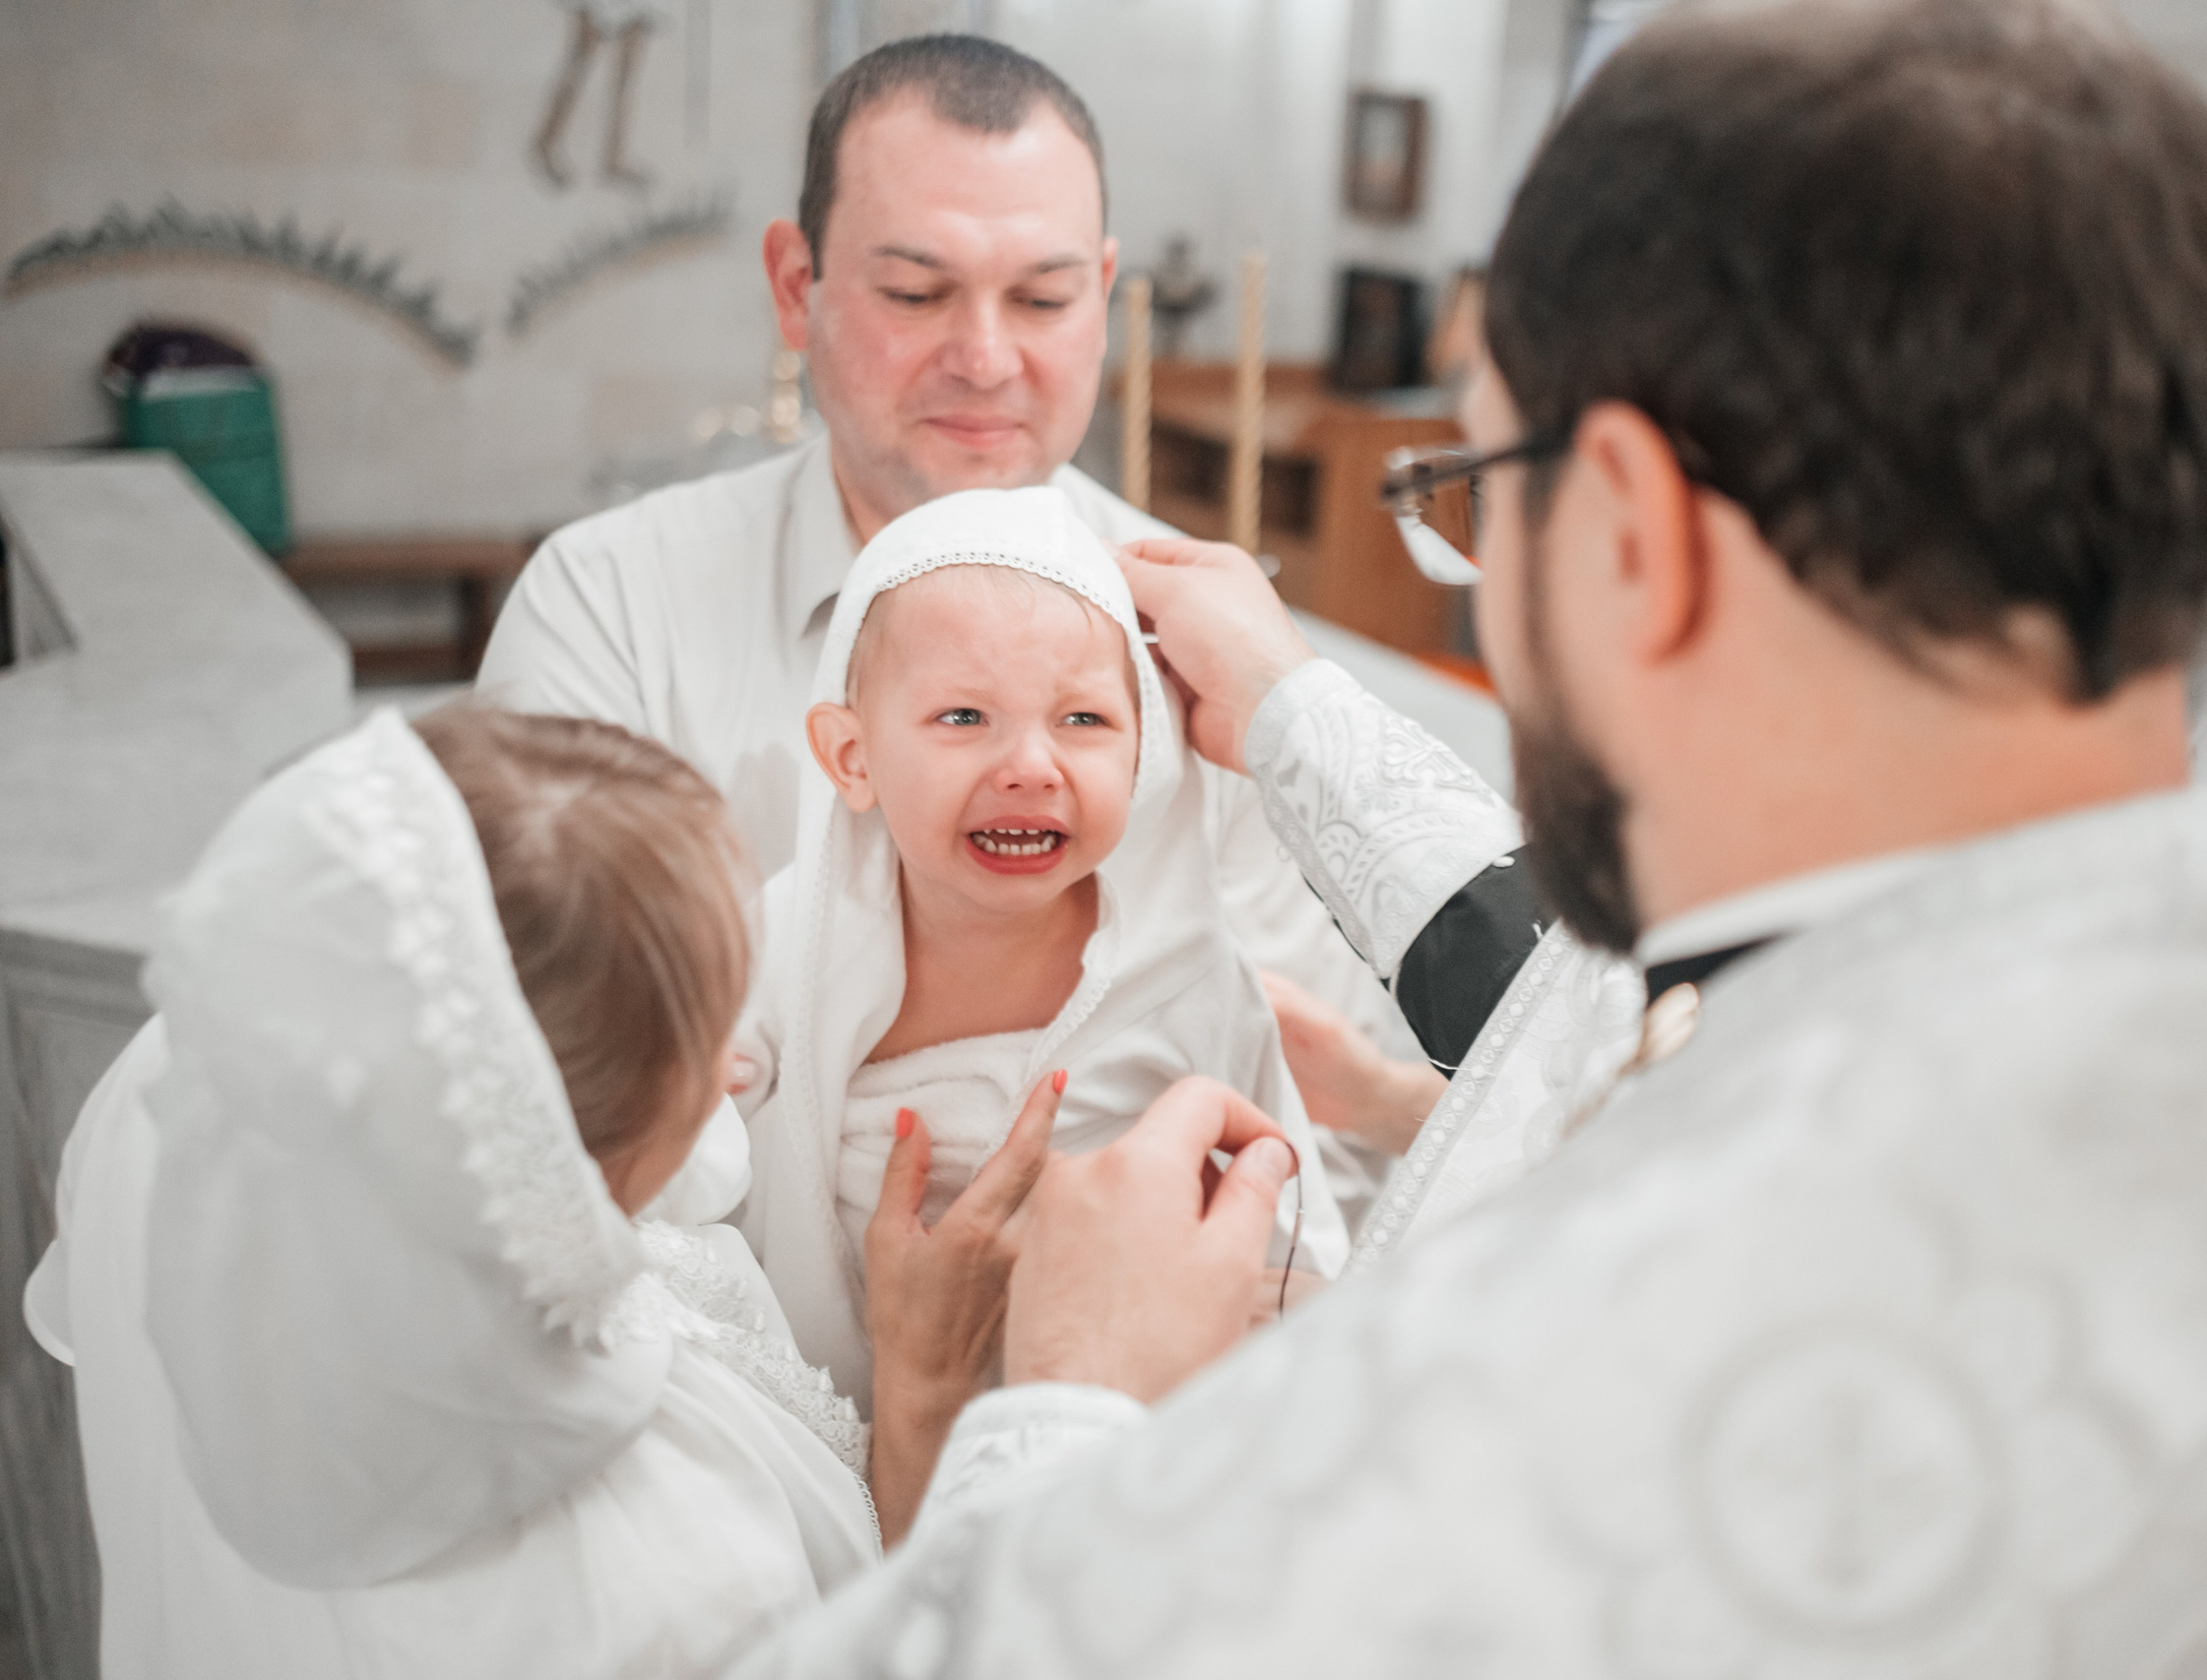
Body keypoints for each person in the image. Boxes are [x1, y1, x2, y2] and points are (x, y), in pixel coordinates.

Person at [725, 3, 2207, 1671]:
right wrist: (1293, 722)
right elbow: (1596, 999)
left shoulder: (1539, 1394)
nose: (1484, 582)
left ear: (1640, 535)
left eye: (1478, 493)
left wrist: (1069, 1404)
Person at [24, 708, 1044, 1674]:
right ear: (565, 1131)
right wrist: (923, 1395)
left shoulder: (195, 1089)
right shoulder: (667, 1576)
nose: (741, 1067)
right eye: (709, 1038)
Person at [474, 32, 1413, 1068]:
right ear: (797, 286)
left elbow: (1307, 1058)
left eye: (1044, 299)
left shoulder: (1199, 639)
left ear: (1101, 298)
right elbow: (542, 1070)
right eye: (916, 294)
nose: (984, 359)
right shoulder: (609, 603)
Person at [735, 488, 1346, 1401]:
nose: (1030, 764)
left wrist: (1285, 1312)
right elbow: (691, 1105)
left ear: (1145, 754)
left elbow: (1283, 1192)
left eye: (1083, 720)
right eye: (964, 717)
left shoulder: (1185, 974)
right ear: (852, 757)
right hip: (855, 1396)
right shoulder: (789, 936)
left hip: (1118, 1406)